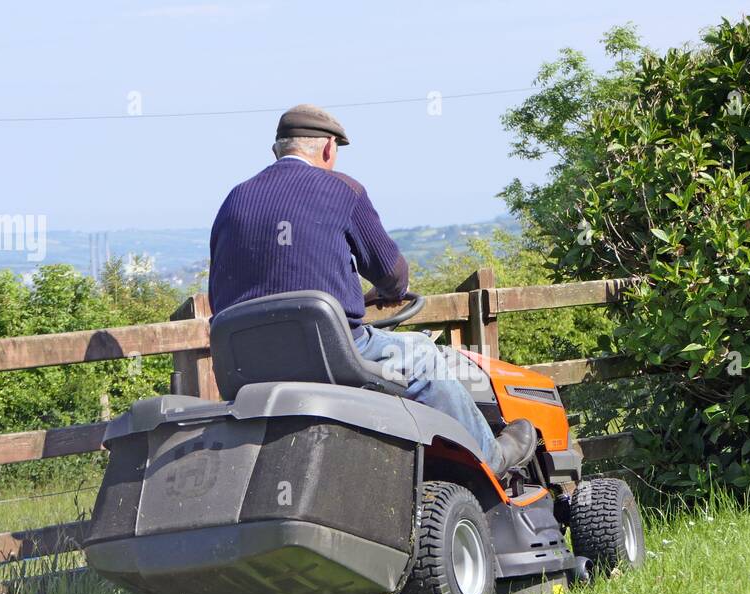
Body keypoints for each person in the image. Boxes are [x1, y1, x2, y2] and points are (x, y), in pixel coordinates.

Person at [207, 103, 535, 478]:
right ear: (329, 149)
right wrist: (389, 289)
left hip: (245, 365)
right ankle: (491, 458)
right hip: (330, 353)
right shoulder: (342, 189)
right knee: (425, 356)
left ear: (275, 152)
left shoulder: (233, 201)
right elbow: (392, 276)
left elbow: (220, 297)